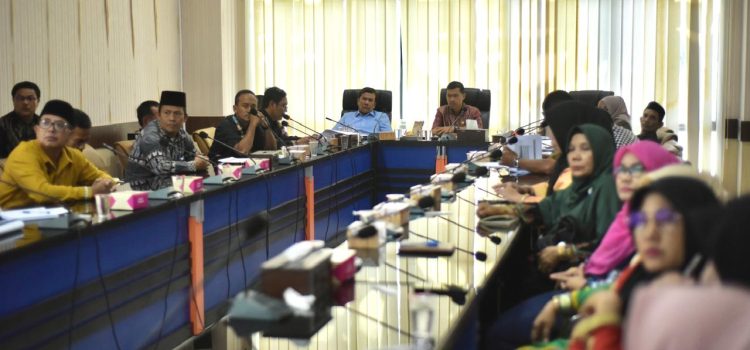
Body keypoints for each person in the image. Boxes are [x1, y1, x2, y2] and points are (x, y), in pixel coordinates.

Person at [525, 177, 719, 349]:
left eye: (665, 219)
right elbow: (614, 289)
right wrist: (559, 302)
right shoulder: (643, 270)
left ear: (697, 223)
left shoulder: (697, 308)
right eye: (640, 220)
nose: (650, 233)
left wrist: (605, 315)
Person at [0, 100, 114, 208]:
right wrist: (90, 191)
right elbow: (42, 193)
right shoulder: (23, 153)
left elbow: (102, 176)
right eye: (46, 123)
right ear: (37, 129)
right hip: (11, 221)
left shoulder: (74, 156)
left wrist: (106, 183)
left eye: (59, 125)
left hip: (53, 217)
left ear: (68, 133)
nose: (51, 129)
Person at [124, 91, 208, 190]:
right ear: (159, 115)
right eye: (167, 113)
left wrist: (201, 160)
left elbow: (194, 157)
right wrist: (193, 165)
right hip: (141, 191)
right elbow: (160, 167)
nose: (172, 118)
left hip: (170, 186)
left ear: (185, 118)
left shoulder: (182, 134)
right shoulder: (149, 135)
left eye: (177, 113)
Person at [208, 89, 275, 162]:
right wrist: (252, 125)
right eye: (245, 106)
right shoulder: (226, 125)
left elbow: (271, 149)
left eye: (253, 107)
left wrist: (266, 128)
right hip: (223, 169)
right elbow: (242, 151)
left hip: (249, 166)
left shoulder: (255, 122)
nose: (249, 110)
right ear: (235, 108)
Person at [0, 81, 41, 158]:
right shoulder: (2, 125)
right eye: (20, 98)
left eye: (30, 98)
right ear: (13, 100)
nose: (25, 102)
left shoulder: (44, 125)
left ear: (38, 101)